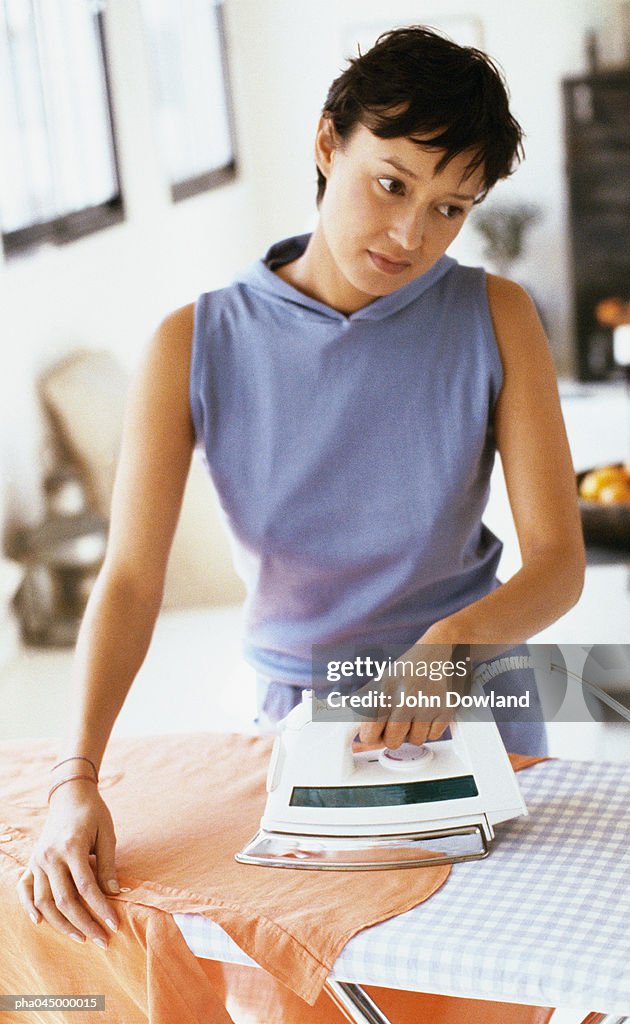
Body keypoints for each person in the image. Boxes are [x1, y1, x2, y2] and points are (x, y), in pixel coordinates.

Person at [17, 26, 585, 950]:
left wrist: (453, 642)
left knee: (493, 975)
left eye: (451, 208)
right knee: (315, 980)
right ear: (328, 143)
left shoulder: (496, 314)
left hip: (472, 690)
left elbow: (558, 563)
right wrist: (75, 778)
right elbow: (127, 581)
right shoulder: (192, 344)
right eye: (391, 183)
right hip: (301, 710)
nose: (411, 234)